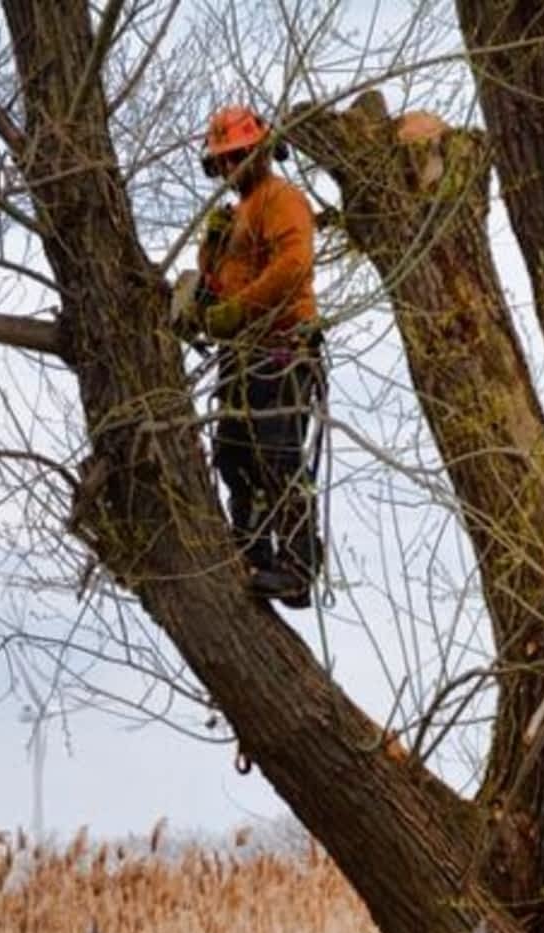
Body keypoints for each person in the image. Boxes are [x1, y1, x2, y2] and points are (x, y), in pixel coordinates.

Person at [184, 104, 324, 609]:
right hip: (242, 353)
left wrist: (238, 310)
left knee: (279, 453)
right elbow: (216, 290)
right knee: (233, 454)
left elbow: (292, 265)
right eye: (226, 160)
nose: (233, 167)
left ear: (261, 152)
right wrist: (209, 257)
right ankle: (253, 549)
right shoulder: (234, 217)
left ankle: (299, 564)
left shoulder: (282, 200)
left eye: (241, 156)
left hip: (283, 346)